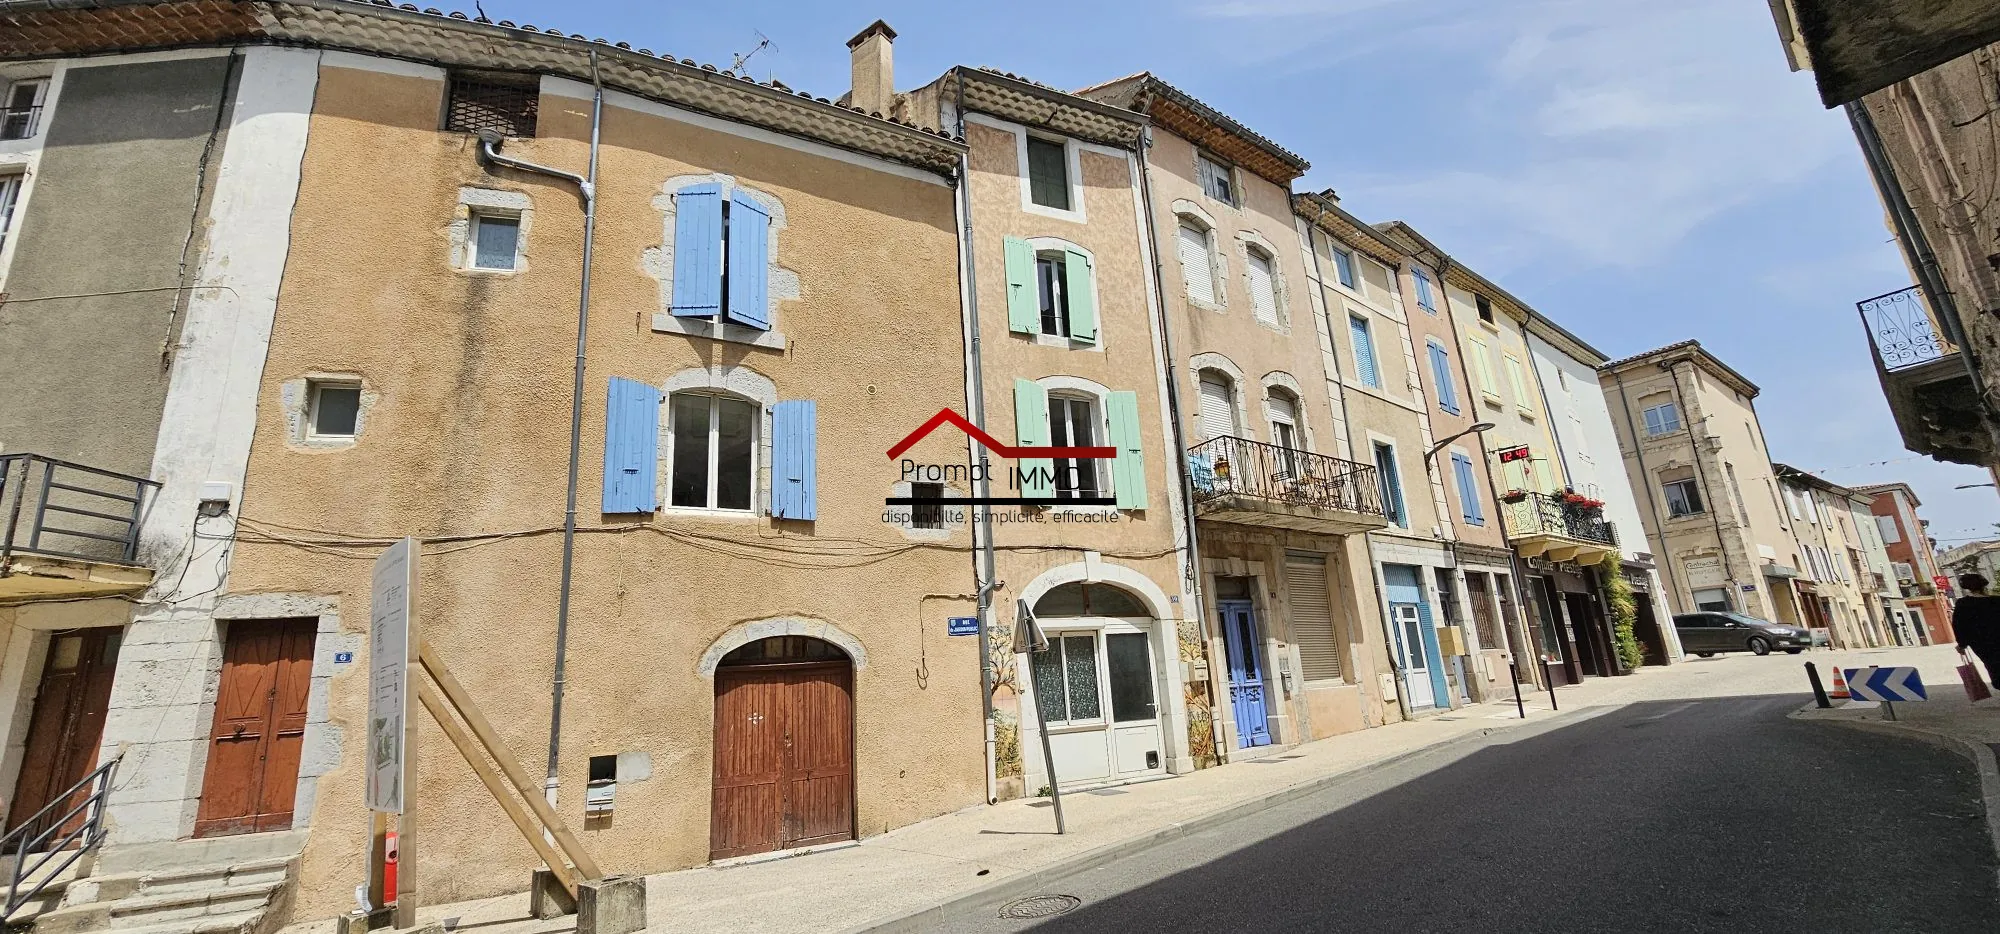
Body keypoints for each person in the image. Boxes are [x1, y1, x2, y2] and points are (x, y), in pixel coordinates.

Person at [1953, 573, 2000, 691]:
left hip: (1981, 643)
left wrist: (1962, 644)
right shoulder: (1996, 601)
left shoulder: (1963, 604)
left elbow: (1959, 625)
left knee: (1993, 666)